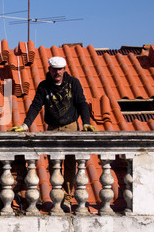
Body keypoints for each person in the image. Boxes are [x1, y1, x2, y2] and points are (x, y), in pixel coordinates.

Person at [9, 56, 97, 212]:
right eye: (55, 69)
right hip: (53, 128)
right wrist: (25, 125)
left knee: (70, 164)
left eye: (60, 69)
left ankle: (67, 199)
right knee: (54, 163)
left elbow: (82, 103)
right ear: (49, 70)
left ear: (64, 69)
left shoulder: (73, 83)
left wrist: (87, 123)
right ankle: (58, 195)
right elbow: (36, 105)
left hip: (71, 127)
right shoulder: (44, 86)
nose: (57, 72)